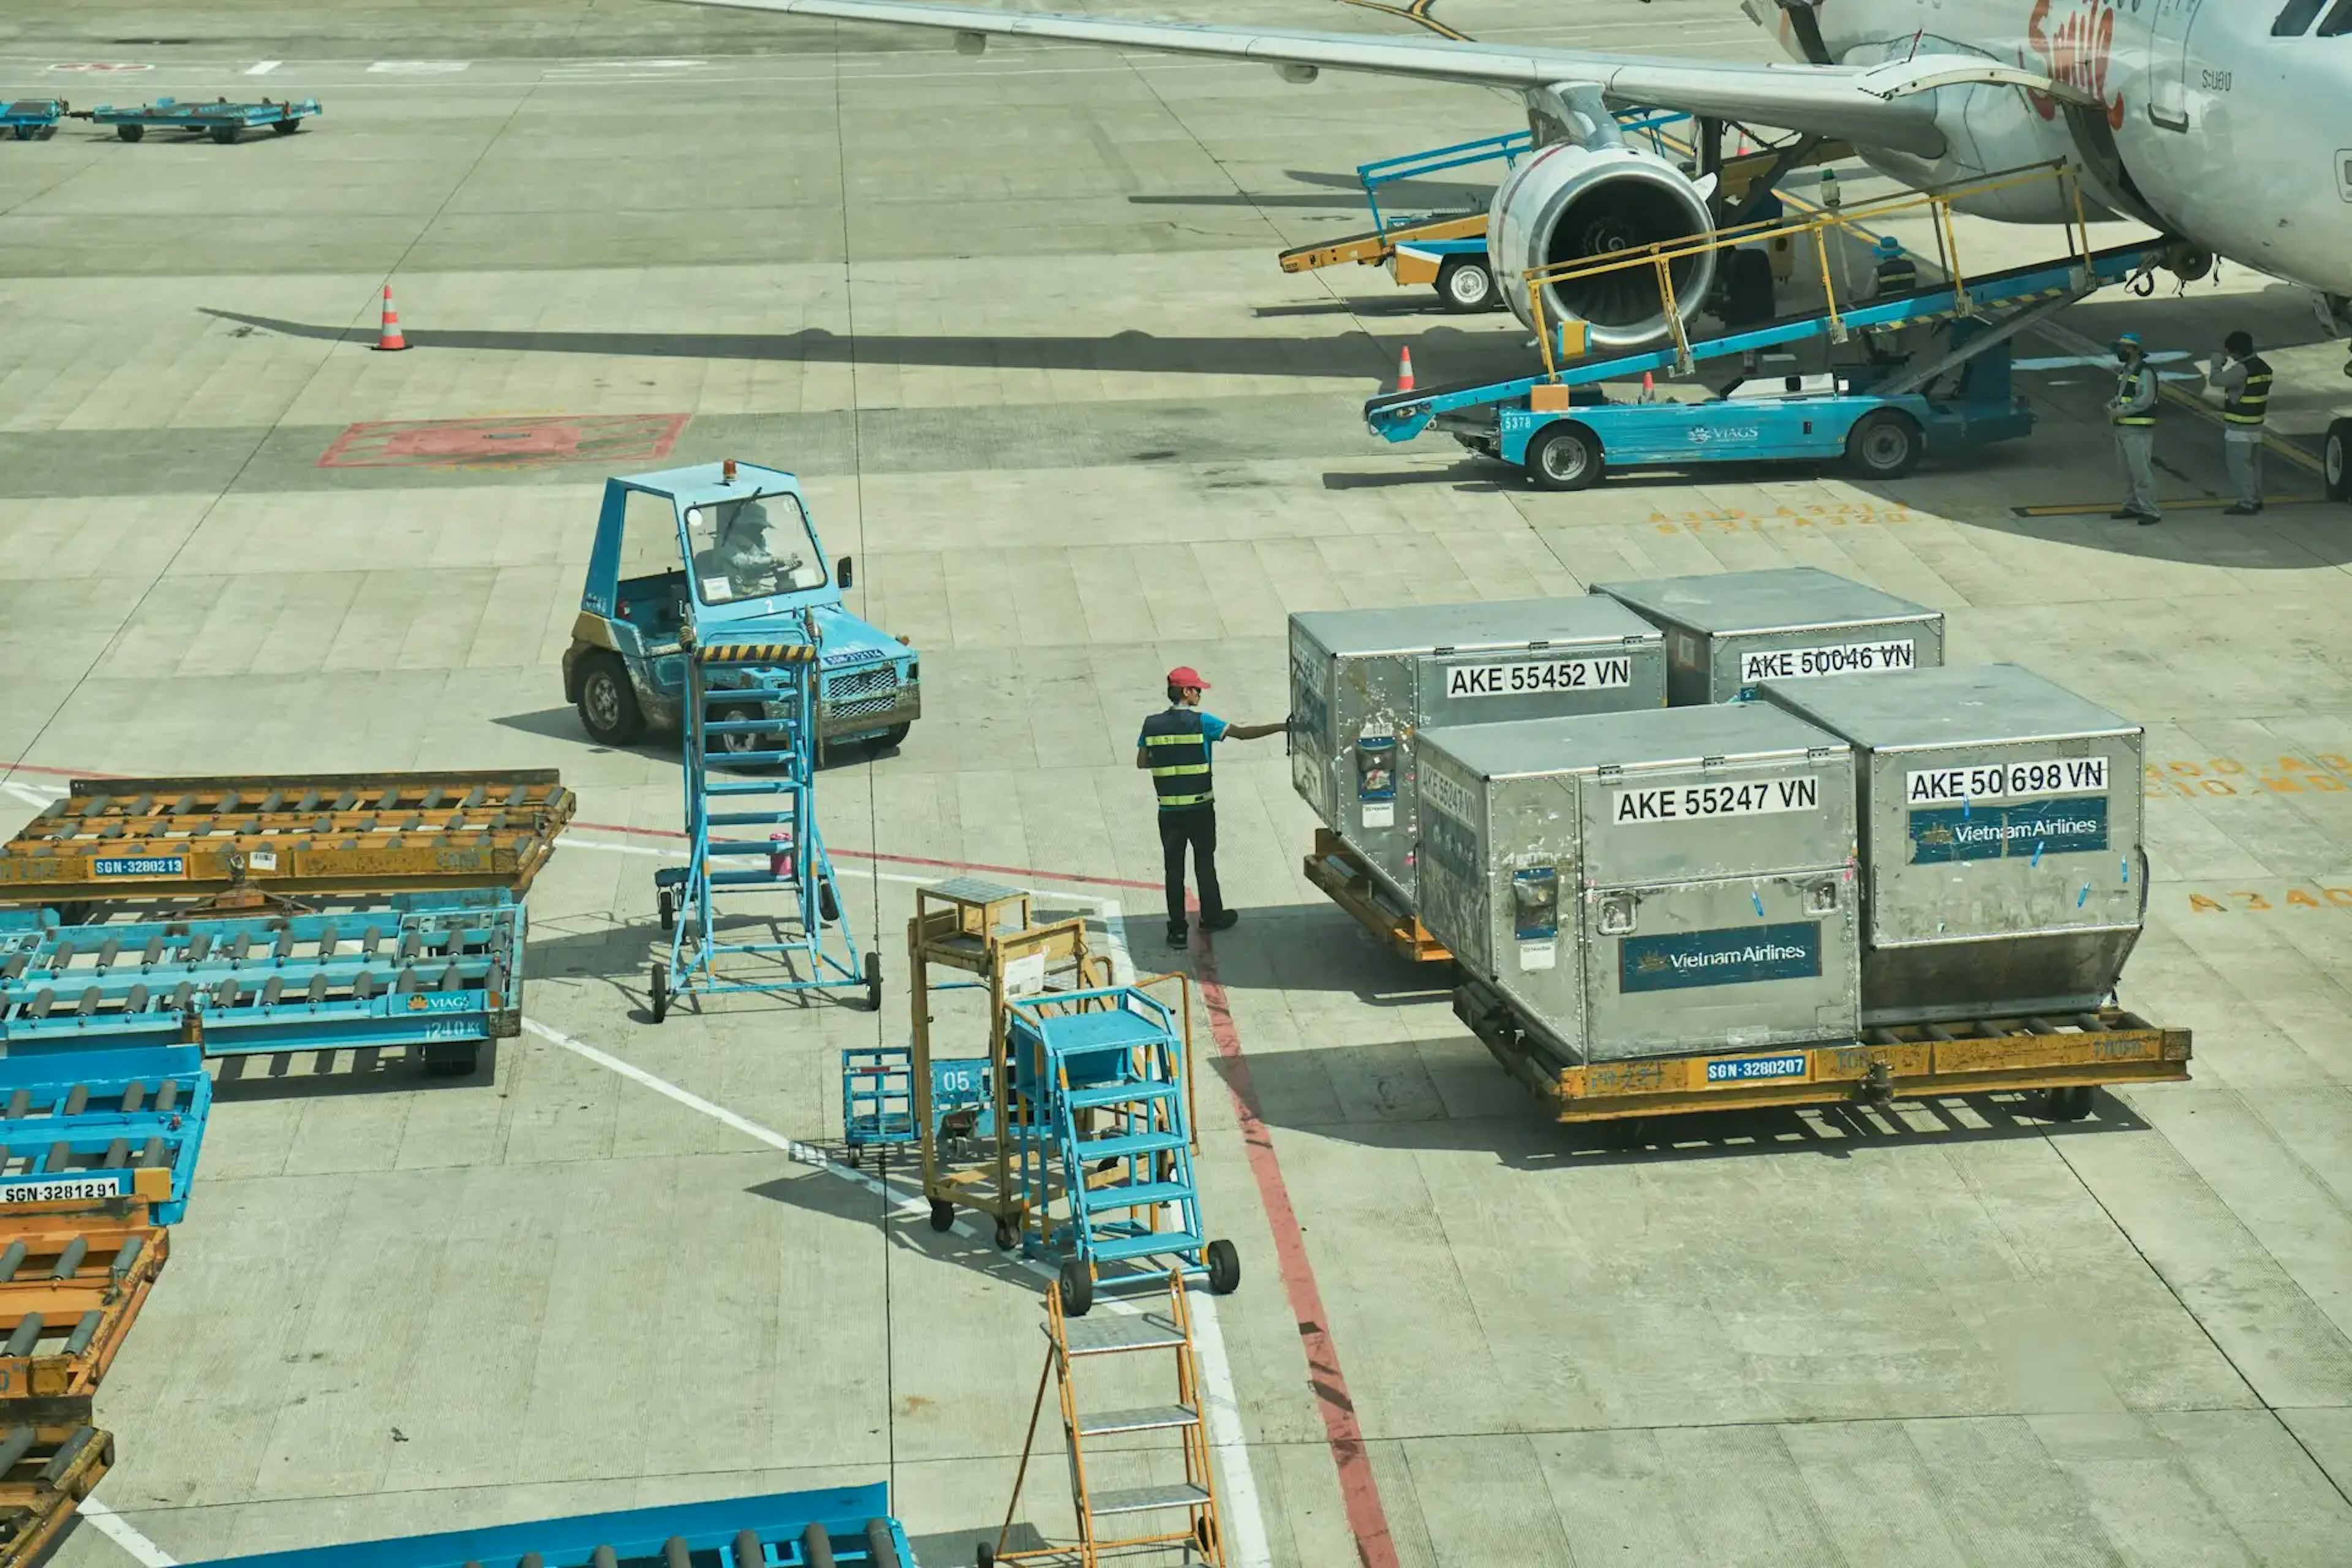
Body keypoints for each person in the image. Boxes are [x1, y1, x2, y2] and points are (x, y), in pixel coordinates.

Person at [1136, 667, 1289, 948]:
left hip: (1169, 812)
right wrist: (1282, 727)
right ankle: (1212, 917)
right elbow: (1243, 734)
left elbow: (1142, 762)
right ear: (1186, 692)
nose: (1200, 694)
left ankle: (1177, 931)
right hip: (1200, 810)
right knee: (1204, 863)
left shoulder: (1151, 724)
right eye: (1197, 689)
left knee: (1173, 870)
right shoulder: (1203, 722)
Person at [2207, 330, 2273, 515]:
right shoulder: (2264, 367)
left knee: (2239, 466)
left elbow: (2216, 381)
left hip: (2239, 426)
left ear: (2235, 352)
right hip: (2256, 425)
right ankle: (2256, 499)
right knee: (2254, 466)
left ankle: (2246, 502)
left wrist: (2216, 364)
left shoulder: (2241, 370)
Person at [2106, 333, 2162, 524]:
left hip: (2138, 430)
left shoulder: (2144, 373)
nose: (2121, 351)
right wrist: (2112, 405)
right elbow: (2123, 395)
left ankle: (2151, 511)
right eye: (2120, 347)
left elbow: (2145, 400)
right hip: (2123, 428)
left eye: (2126, 348)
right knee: (2127, 472)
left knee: (2141, 473)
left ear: (2137, 351)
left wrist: (2120, 411)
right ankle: (2132, 506)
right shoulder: (2126, 371)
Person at [1865, 235, 1917, 364]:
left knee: (1877, 333)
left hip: (1887, 311)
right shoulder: (1911, 266)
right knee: (1903, 335)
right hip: (1907, 309)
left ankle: (1884, 358)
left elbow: (1868, 295)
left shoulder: (1878, 271)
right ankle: (1902, 354)